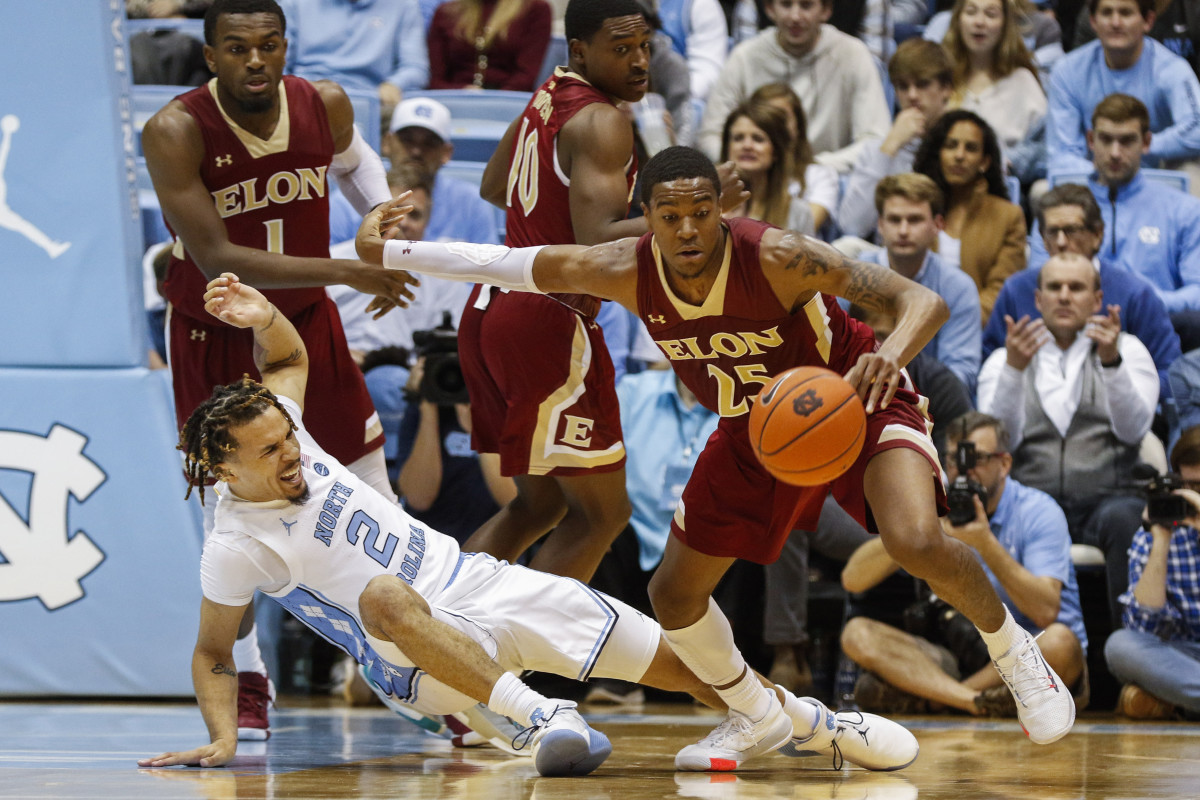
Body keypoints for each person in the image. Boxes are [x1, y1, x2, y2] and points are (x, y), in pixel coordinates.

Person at [358, 145, 1079, 764]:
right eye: (669, 216)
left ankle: (1018, 657)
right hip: (756, 427)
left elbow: (919, 300)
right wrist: (381, 251)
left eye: (702, 210)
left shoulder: (780, 255)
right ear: (649, 218)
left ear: (719, 208)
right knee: (672, 593)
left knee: (915, 537)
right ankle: (752, 712)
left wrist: (889, 357)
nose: (688, 227)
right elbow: (505, 263)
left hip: (852, 390)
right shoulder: (623, 268)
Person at [138, 272, 917, 774]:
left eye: (287, 437)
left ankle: (812, 725)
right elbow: (213, 652)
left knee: (690, 672)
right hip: (408, 663)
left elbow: (285, 362)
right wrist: (222, 736)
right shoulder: (234, 542)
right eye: (270, 452)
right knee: (382, 596)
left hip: (476, 584)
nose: (292, 455)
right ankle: (534, 717)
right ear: (224, 470)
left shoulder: (288, 433)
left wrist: (260, 310)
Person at [141, 0, 416, 740]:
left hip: (304, 323)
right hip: (214, 330)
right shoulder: (174, 129)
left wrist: (381, 221)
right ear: (211, 56)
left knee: (373, 492)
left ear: (286, 45)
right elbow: (217, 259)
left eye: (269, 45)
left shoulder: (323, 102)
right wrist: (351, 269)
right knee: (224, 509)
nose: (256, 60)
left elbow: (358, 165)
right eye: (237, 48)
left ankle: (415, 664)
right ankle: (251, 677)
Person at [461, 0, 743, 584]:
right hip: (548, 320)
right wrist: (699, 209)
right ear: (580, 52)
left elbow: (495, 185)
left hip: (495, 309)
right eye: (622, 50)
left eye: (644, 46)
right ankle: (513, 652)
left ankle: (436, 633)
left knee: (541, 506)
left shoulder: (549, 94)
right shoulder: (603, 121)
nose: (641, 62)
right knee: (604, 514)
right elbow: (596, 243)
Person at [841, 412, 1089, 717]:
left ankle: (937, 699)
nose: (965, 472)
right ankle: (972, 702)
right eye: (956, 461)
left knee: (1061, 643)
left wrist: (985, 542)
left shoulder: (1038, 510)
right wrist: (921, 534)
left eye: (977, 459)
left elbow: (1045, 610)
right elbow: (852, 579)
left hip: (1025, 652)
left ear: (1005, 464)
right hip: (959, 653)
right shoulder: (936, 508)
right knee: (857, 633)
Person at [978, 252, 1160, 626]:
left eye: (1076, 287)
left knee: (1126, 515)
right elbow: (999, 444)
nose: (1064, 296)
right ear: (1038, 299)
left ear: (1097, 301)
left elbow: (1134, 430)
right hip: (1033, 503)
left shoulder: (1129, 350)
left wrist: (1111, 364)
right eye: (1054, 287)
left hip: (1107, 501)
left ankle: (1135, 644)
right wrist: (1014, 371)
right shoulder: (1002, 358)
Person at [984, 182, 1182, 403]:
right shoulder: (1016, 289)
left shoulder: (1135, 294)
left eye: (1071, 231)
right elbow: (990, 362)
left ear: (1097, 235)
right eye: (1052, 232)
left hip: (1119, 418)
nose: (1060, 242)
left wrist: (1128, 391)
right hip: (1028, 418)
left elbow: (1169, 373)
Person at [1063, 93, 1200, 350]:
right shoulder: (1062, 209)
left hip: (1157, 329)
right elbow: (1037, 277)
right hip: (1074, 328)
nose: (1115, 153)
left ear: (1146, 143)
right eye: (1106, 139)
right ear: (1091, 140)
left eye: (1126, 141)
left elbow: (1198, 291)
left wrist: (1148, 300)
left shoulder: (1184, 209)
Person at [695, 0, 892, 173]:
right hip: (754, 177)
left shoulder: (854, 54)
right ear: (770, 8)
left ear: (826, 10)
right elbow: (711, 135)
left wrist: (813, 169)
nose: (795, 16)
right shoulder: (744, 56)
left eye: (806, 5)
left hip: (826, 175)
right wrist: (751, 165)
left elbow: (874, 141)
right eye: (786, 4)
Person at [1105, 423, 1200, 720]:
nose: (1195, 496)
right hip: (1181, 656)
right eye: (1190, 486)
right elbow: (1142, 628)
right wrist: (1161, 540)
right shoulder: (1161, 529)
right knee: (1120, 647)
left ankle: (1170, 700)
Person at [858, 173, 982, 392]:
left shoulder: (958, 287)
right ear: (880, 225)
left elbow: (961, 374)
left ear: (938, 224)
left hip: (929, 406)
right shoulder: (855, 274)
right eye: (895, 219)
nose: (903, 230)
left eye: (914, 220)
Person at [1048, 0, 1200, 177]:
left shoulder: (1171, 69)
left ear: (1148, 21)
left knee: (1193, 174)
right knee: (1041, 191)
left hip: (1157, 177)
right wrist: (1107, 168)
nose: (1115, 23)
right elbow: (1061, 155)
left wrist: (1139, 146)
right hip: (1095, 178)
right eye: (1106, 13)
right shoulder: (1067, 71)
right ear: (1093, 21)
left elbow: (1197, 130)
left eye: (1125, 13)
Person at [913, 108, 1027, 324]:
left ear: (984, 162)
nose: (959, 155)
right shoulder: (914, 210)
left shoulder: (1008, 216)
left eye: (971, 148)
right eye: (951, 145)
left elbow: (1000, 291)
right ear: (938, 154)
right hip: (913, 327)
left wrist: (956, 326)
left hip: (975, 331)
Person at [838, 38, 955, 241]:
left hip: (948, 252)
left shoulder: (966, 141)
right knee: (848, 245)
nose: (912, 95)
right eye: (902, 86)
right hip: (888, 258)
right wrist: (889, 148)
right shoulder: (879, 148)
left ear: (946, 88)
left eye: (922, 84)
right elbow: (852, 226)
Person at [385, 97, 503, 248]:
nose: (416, 151)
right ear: (387, 143)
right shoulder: (355, 195)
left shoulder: (471, 202)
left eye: (430, 143)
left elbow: (488, 266)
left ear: (446, 152)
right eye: (407, 140)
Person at [278, 0, 429, 118]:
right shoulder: (294, 3)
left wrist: (395, 84)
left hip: (374, 102)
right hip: (306, 96)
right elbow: (279, 62)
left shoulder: (404, 4)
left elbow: (415, 67)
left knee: (411, 126)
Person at [941, 0, 1046, 151]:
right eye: (971, 12)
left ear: (1005, 24)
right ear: (958, 19)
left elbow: (1042, 148)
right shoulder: (941, 78)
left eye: (991, 14)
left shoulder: (1023, 81)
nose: (979, 22)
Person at [747, 83, 841, 233]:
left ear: (798, 126)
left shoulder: (818, 175)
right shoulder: (732, 178)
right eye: (765, 117)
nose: (773, 126)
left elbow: (802, 232)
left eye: (781, 118)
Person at [719, 102, 816, 234]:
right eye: (738, 138)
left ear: (776, 151)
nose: (747, 145)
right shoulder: (707, 204)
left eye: (758, 139)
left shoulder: (798, 213)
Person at [426, 0, 552, 91]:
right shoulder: (446, 12)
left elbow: (526, 75)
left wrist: (491, 101)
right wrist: (462, 91)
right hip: (454, 97)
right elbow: (436, 79)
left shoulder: (535, 9)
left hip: (509, 101)